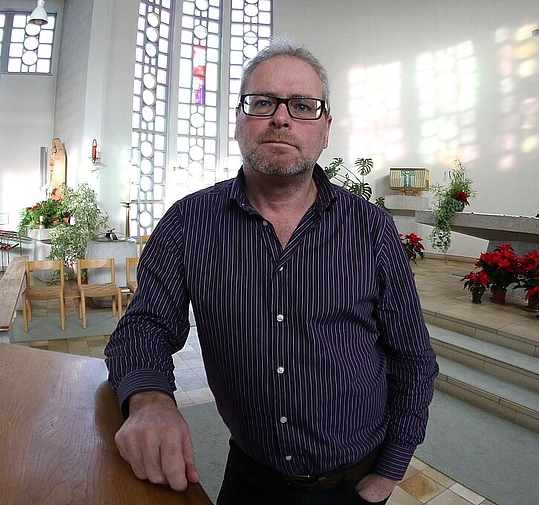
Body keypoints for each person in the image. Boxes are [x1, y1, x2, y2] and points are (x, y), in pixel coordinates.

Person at [104, 38, 438, 505]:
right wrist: (150, 399)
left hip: (354, 484)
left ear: (325, 129)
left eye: (303, 105)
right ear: (238, 121)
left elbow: (412, 358)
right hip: (250, 478)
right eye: (262, 102)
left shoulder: (370, 228)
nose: (281, 117)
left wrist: (389, 471)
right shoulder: (188, 223)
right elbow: (144, 325)